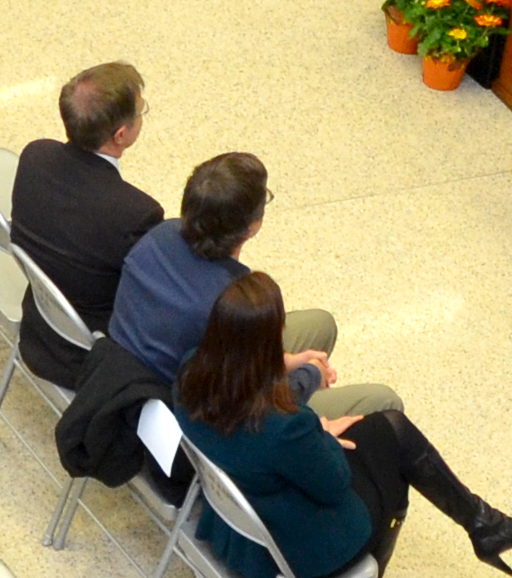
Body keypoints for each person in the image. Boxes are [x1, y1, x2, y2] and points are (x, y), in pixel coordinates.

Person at [172, 271, 512, 578]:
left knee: (386, 431)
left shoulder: (191, 372)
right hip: (282, 554)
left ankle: (484, 524)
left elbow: (251, 411)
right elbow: (334, 484)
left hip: (231, 529)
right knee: (393, 442)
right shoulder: (286, 427)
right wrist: (319, 432)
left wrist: (293, 377)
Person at [105, 149, 370, 400]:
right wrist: (311, 376)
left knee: (319, 323)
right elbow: (252, 406)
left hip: (126, 379)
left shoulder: (158, 235)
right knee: (377, 396)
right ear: (251, 227)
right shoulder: (236, 304)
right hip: (193, 411)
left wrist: (285, 361)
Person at [12, 62, 161, 383]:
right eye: (140, 112)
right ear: (121, 135)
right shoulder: (136, 212)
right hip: (85, 355)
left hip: (37, 320)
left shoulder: (35, 156)